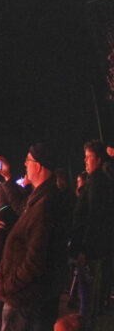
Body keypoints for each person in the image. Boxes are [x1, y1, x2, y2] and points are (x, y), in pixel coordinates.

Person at [0, 143, 66, 330]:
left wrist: (8, 286)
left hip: (26, 300)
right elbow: (21, 207)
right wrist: (8, 177)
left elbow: (35, 262)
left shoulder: (46, 204)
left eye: (28, 161)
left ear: (38, 165)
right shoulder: (41, 196)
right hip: (30, 297)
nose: (25, 164)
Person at [70, 140, 114, 330]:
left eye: (88, 157)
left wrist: (83, 249)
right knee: (90, 300)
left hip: (90, 252)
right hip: (96, 250)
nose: (85, 161)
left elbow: (93, 219)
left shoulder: (97, 183)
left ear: (98, 159)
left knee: (87, 302)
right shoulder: (97, 181)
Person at [0, 160, 23, 331]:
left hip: (3, 264)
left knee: (1, 302)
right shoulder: (18, 212)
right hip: (16, 262)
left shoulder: (0, 216)